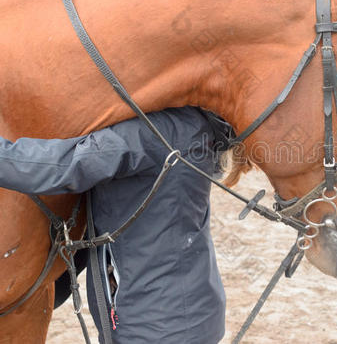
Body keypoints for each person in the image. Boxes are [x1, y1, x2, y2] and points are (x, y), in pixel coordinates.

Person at [0, 106, 232, 343]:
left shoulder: (146, 133)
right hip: (196, 314)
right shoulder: (195, 124)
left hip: (151, 327)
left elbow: (63, 167)